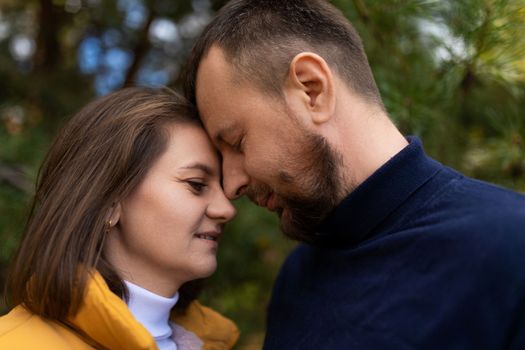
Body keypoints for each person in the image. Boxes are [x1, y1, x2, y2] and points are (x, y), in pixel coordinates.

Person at [184, 0, 525, 349]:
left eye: (238, 142)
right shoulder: (296, 279)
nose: (231, 184)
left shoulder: (512, 246)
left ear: (311, 90)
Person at [0, 87, 239, 350]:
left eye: (223, 187)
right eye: (196, 184)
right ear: (110, 202)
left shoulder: (213, 342)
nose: (226, 209)